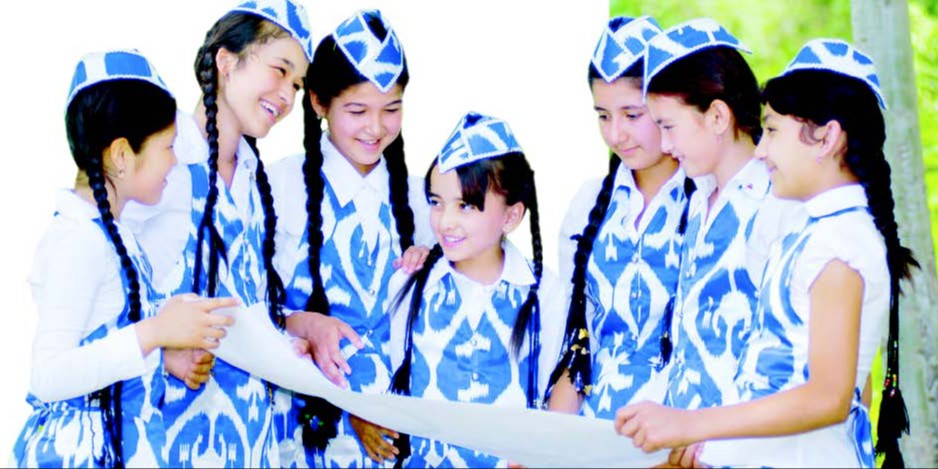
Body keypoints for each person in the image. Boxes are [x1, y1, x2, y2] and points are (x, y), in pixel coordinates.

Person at [615, 38, 917, 469]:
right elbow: (771, 378)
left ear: (827, 138)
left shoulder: (843, 243)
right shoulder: (815, 233)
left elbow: (828, 398)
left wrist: (693, 424)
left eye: (772, 131)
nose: (761, 149)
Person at [12, 49, 237, 468]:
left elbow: (98, 341)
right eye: (167, 146)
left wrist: (162, 358)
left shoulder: (116, 234)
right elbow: (48, 376)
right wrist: (153, 333)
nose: (175, 160)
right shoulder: (78, 239)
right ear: (121, 155)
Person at [120, 1, 313, 467]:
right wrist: (161, 354)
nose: (288, 96)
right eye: (280, 70)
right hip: (167, 438)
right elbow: (102, 296)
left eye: (297, 84)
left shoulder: (257, 181)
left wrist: (296, 325)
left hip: (250, 440)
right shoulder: (159, 162)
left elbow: (247, 304)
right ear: (226, 62)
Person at [266, 9, 433, 468]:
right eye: (357, 111)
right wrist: (301, 324)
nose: (375, 128)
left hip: (401, 439)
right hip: (302, 436)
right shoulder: (277, 187)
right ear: (319, 102)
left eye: (392, 109)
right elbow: (253, 313)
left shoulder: (427, 200)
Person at [633, 18, 801, 415]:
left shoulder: (776, 201)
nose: (665, 145)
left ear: (717, 117)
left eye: (668, 126)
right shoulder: (698, 201)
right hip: (689, 435)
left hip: (749, 437)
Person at [387, 111, 566, 468]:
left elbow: (549, 386)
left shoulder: (543, 292)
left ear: (511, 216)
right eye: (436, 202)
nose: (445, 221)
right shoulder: (410, 282)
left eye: (465, 206)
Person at [546, 15, 694, 419]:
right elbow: (577, 342)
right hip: (594, 433)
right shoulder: (588, 202)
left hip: (681, 432)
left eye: (632, 115)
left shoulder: (709, 198)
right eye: (603, 116)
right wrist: (549, 438)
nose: (615, 135)